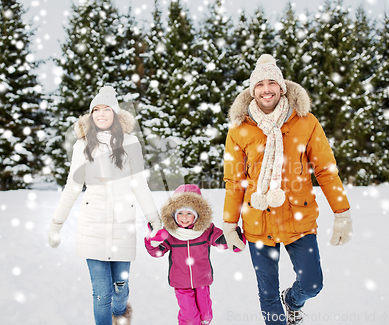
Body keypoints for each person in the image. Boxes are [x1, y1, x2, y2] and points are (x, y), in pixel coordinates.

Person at [221, 54, 353, 325]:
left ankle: (292, 300)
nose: (266, 89)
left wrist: (342, 213)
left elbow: (326, 171)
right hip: (258, 219)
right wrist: (229, 223)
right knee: (267, 295)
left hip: (299, 218)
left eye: (272, 83)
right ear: (252, 90)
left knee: (313, 284)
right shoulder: (239, 129)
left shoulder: (306, 122)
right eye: (259, 84)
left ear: (282, 87)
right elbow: (234, 181)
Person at [47, 86, 162, 325]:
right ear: (90, 114)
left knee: (120, 288)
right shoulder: (82, 145)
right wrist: (56, 224)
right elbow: (72, 187)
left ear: (115, 114)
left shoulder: (131, 143)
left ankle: (120, 311)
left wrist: (155, 220)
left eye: (106, 109)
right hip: (93, 226)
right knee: (101, 294)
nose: (100, 114)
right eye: (96, 110)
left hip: (123, 226)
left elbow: (140, 185)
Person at [144, 184, 244, 325]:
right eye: (180, 213)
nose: (184, 218)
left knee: (206, 316)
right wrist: (152, 241)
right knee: (190, 317)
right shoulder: (171, 233)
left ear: (197, 214)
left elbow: (220, 239)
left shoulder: (206, 230)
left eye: (189, 213)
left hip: (202, 280)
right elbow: (157, 252)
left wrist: (234, 239)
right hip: (180, 283)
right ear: (173, 214)